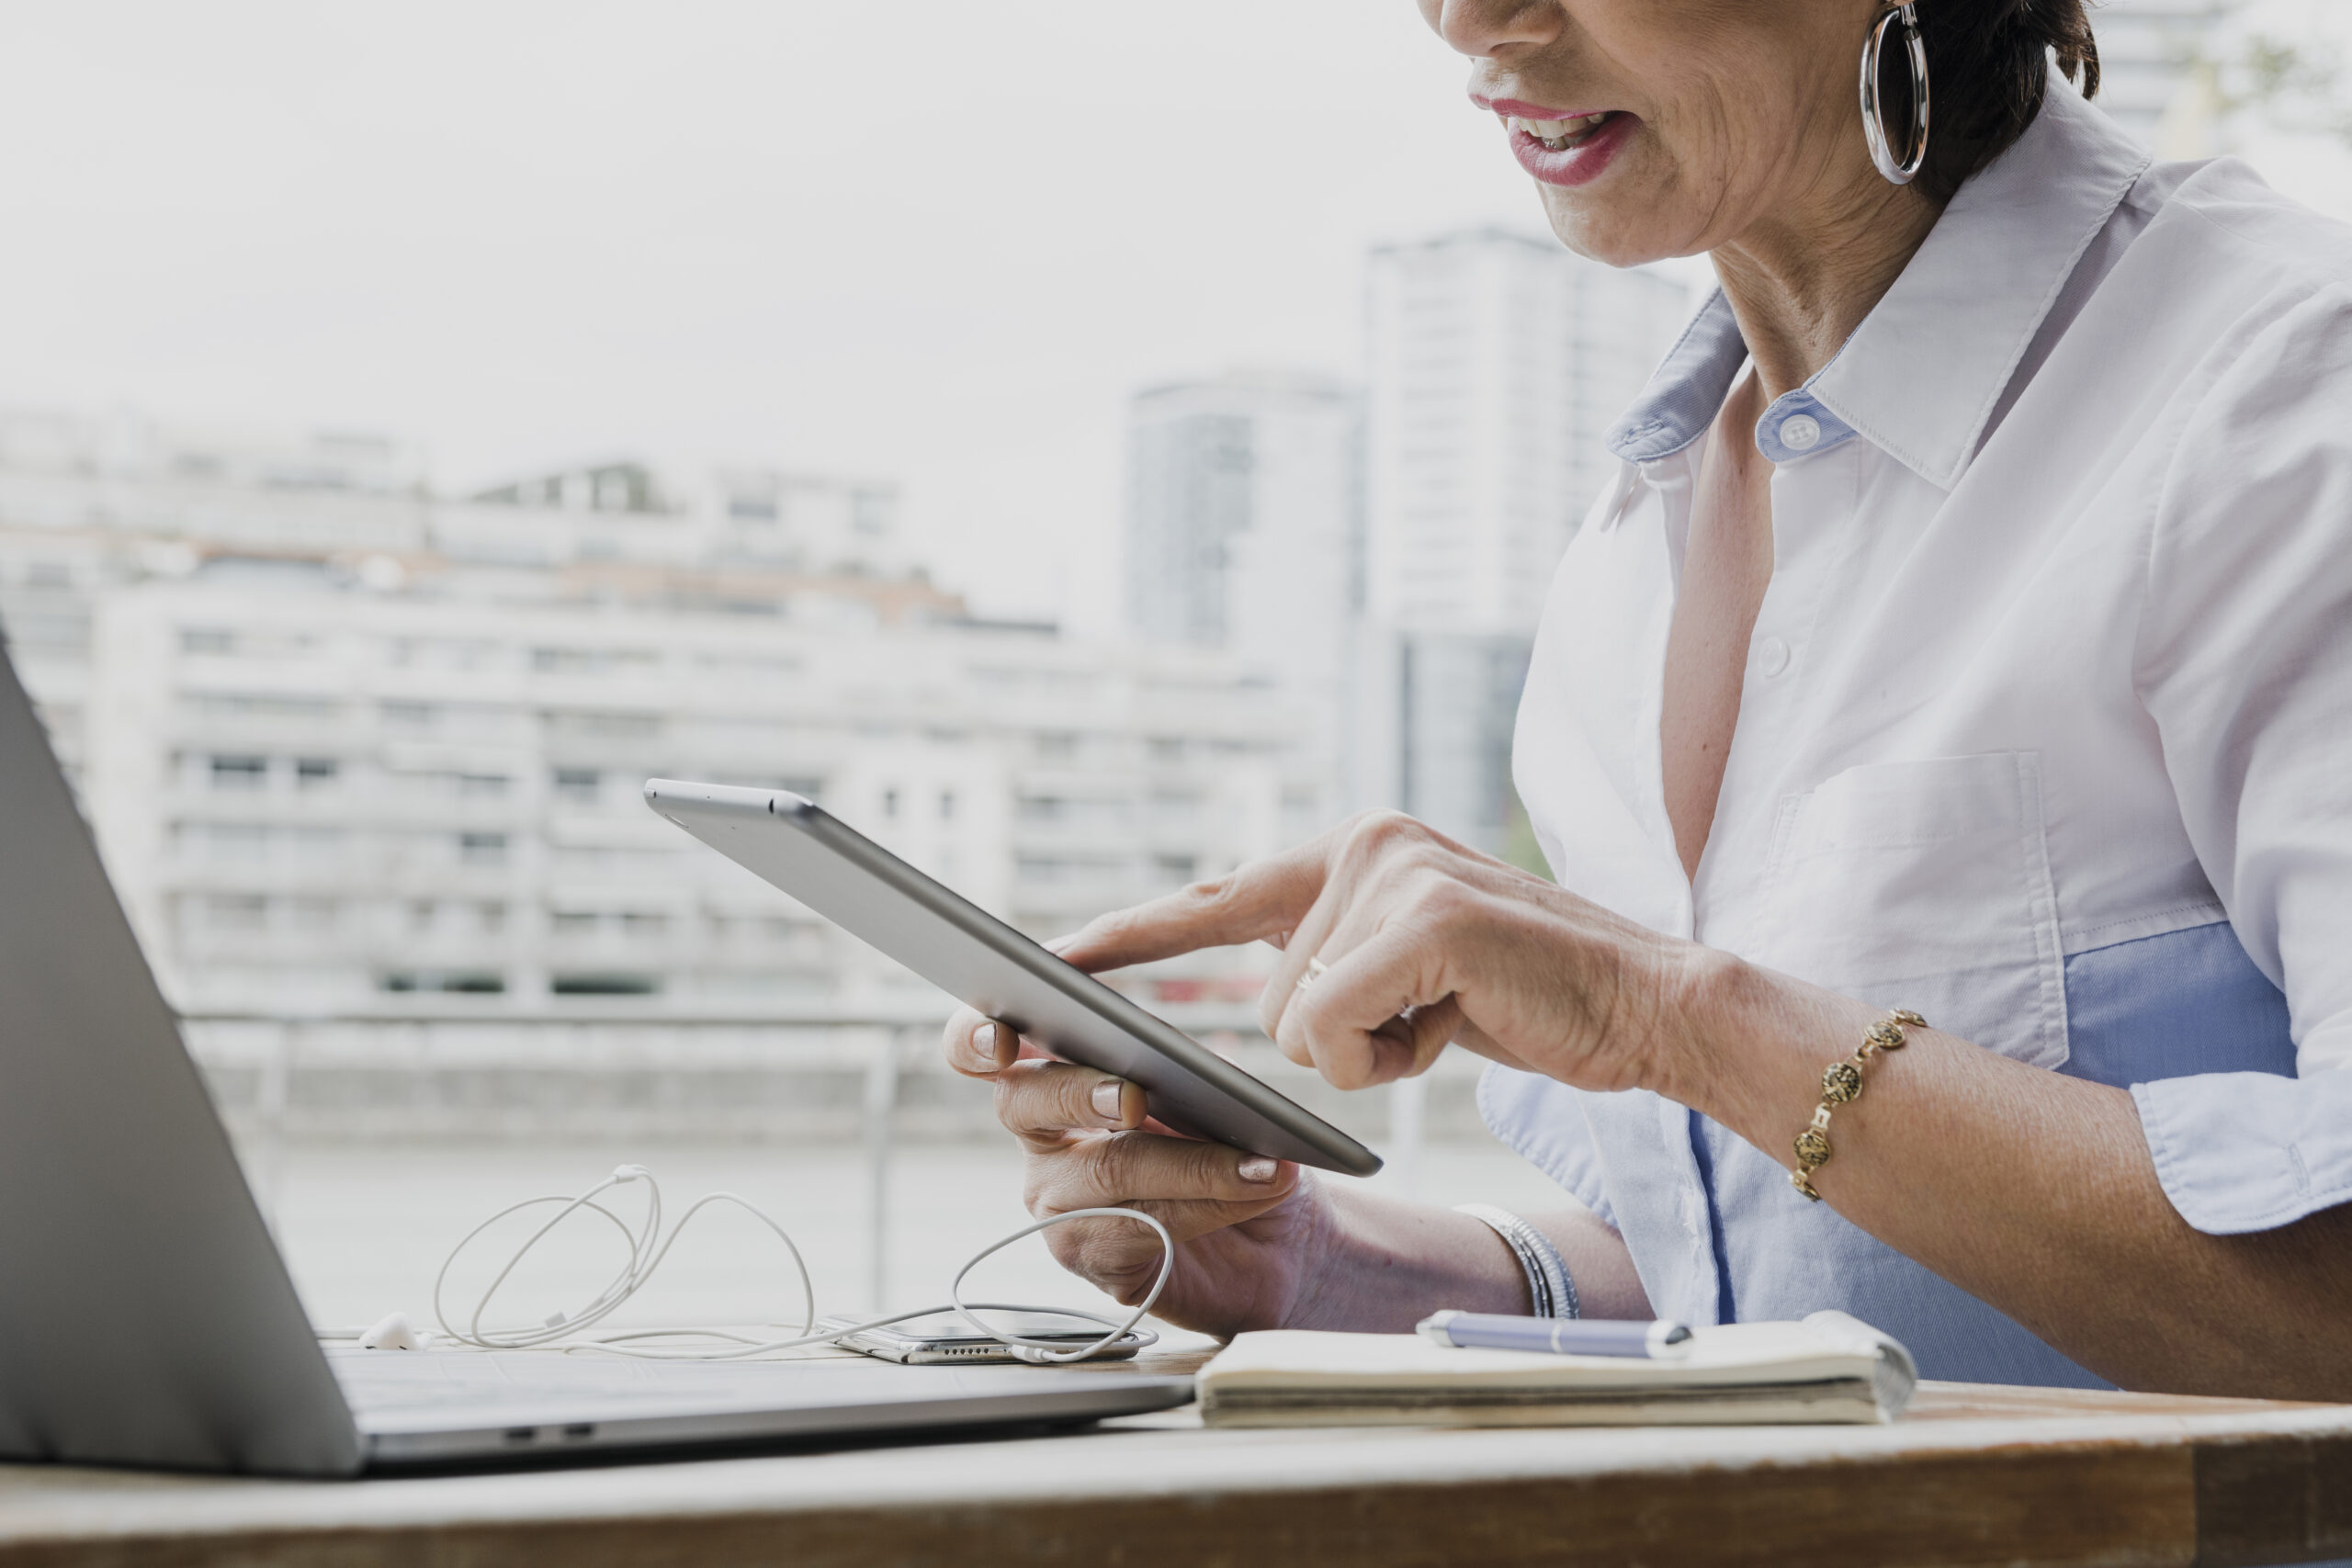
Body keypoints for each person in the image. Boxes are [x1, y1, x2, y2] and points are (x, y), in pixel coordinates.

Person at [942, 0, 2352, 1398]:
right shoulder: (1639, 528)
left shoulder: (2291, 394)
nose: (1467, 20)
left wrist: (1674, 1019)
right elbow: (1755, 1281)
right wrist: (1312, 1268)